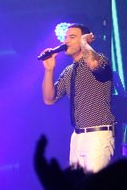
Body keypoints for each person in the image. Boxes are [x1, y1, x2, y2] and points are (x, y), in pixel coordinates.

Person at [40, 23, 115, 173]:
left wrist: (84, 43)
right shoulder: (68, 71)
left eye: (72, 37)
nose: (66, 41)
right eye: (65, 37)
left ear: (84, 39)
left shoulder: (100, 60)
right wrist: (49, 70)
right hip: (77, 136)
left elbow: (94, 64)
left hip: (97, 135)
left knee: (95, 185)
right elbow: (49, 99)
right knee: (77, 184)